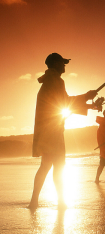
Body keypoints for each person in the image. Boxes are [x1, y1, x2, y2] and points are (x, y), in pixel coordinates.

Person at [28, 53, 98, 210]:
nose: (65, 66)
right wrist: (87, 96)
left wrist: (90, 104)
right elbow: (65, 103)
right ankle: (59, 203)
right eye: (62, 63)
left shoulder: (49, 81)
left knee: (46, 166)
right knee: (57, 166)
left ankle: (35, 202)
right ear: (55, 64)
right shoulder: (56, 81)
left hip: (48, 131)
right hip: (53, 131)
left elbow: (64, 104)